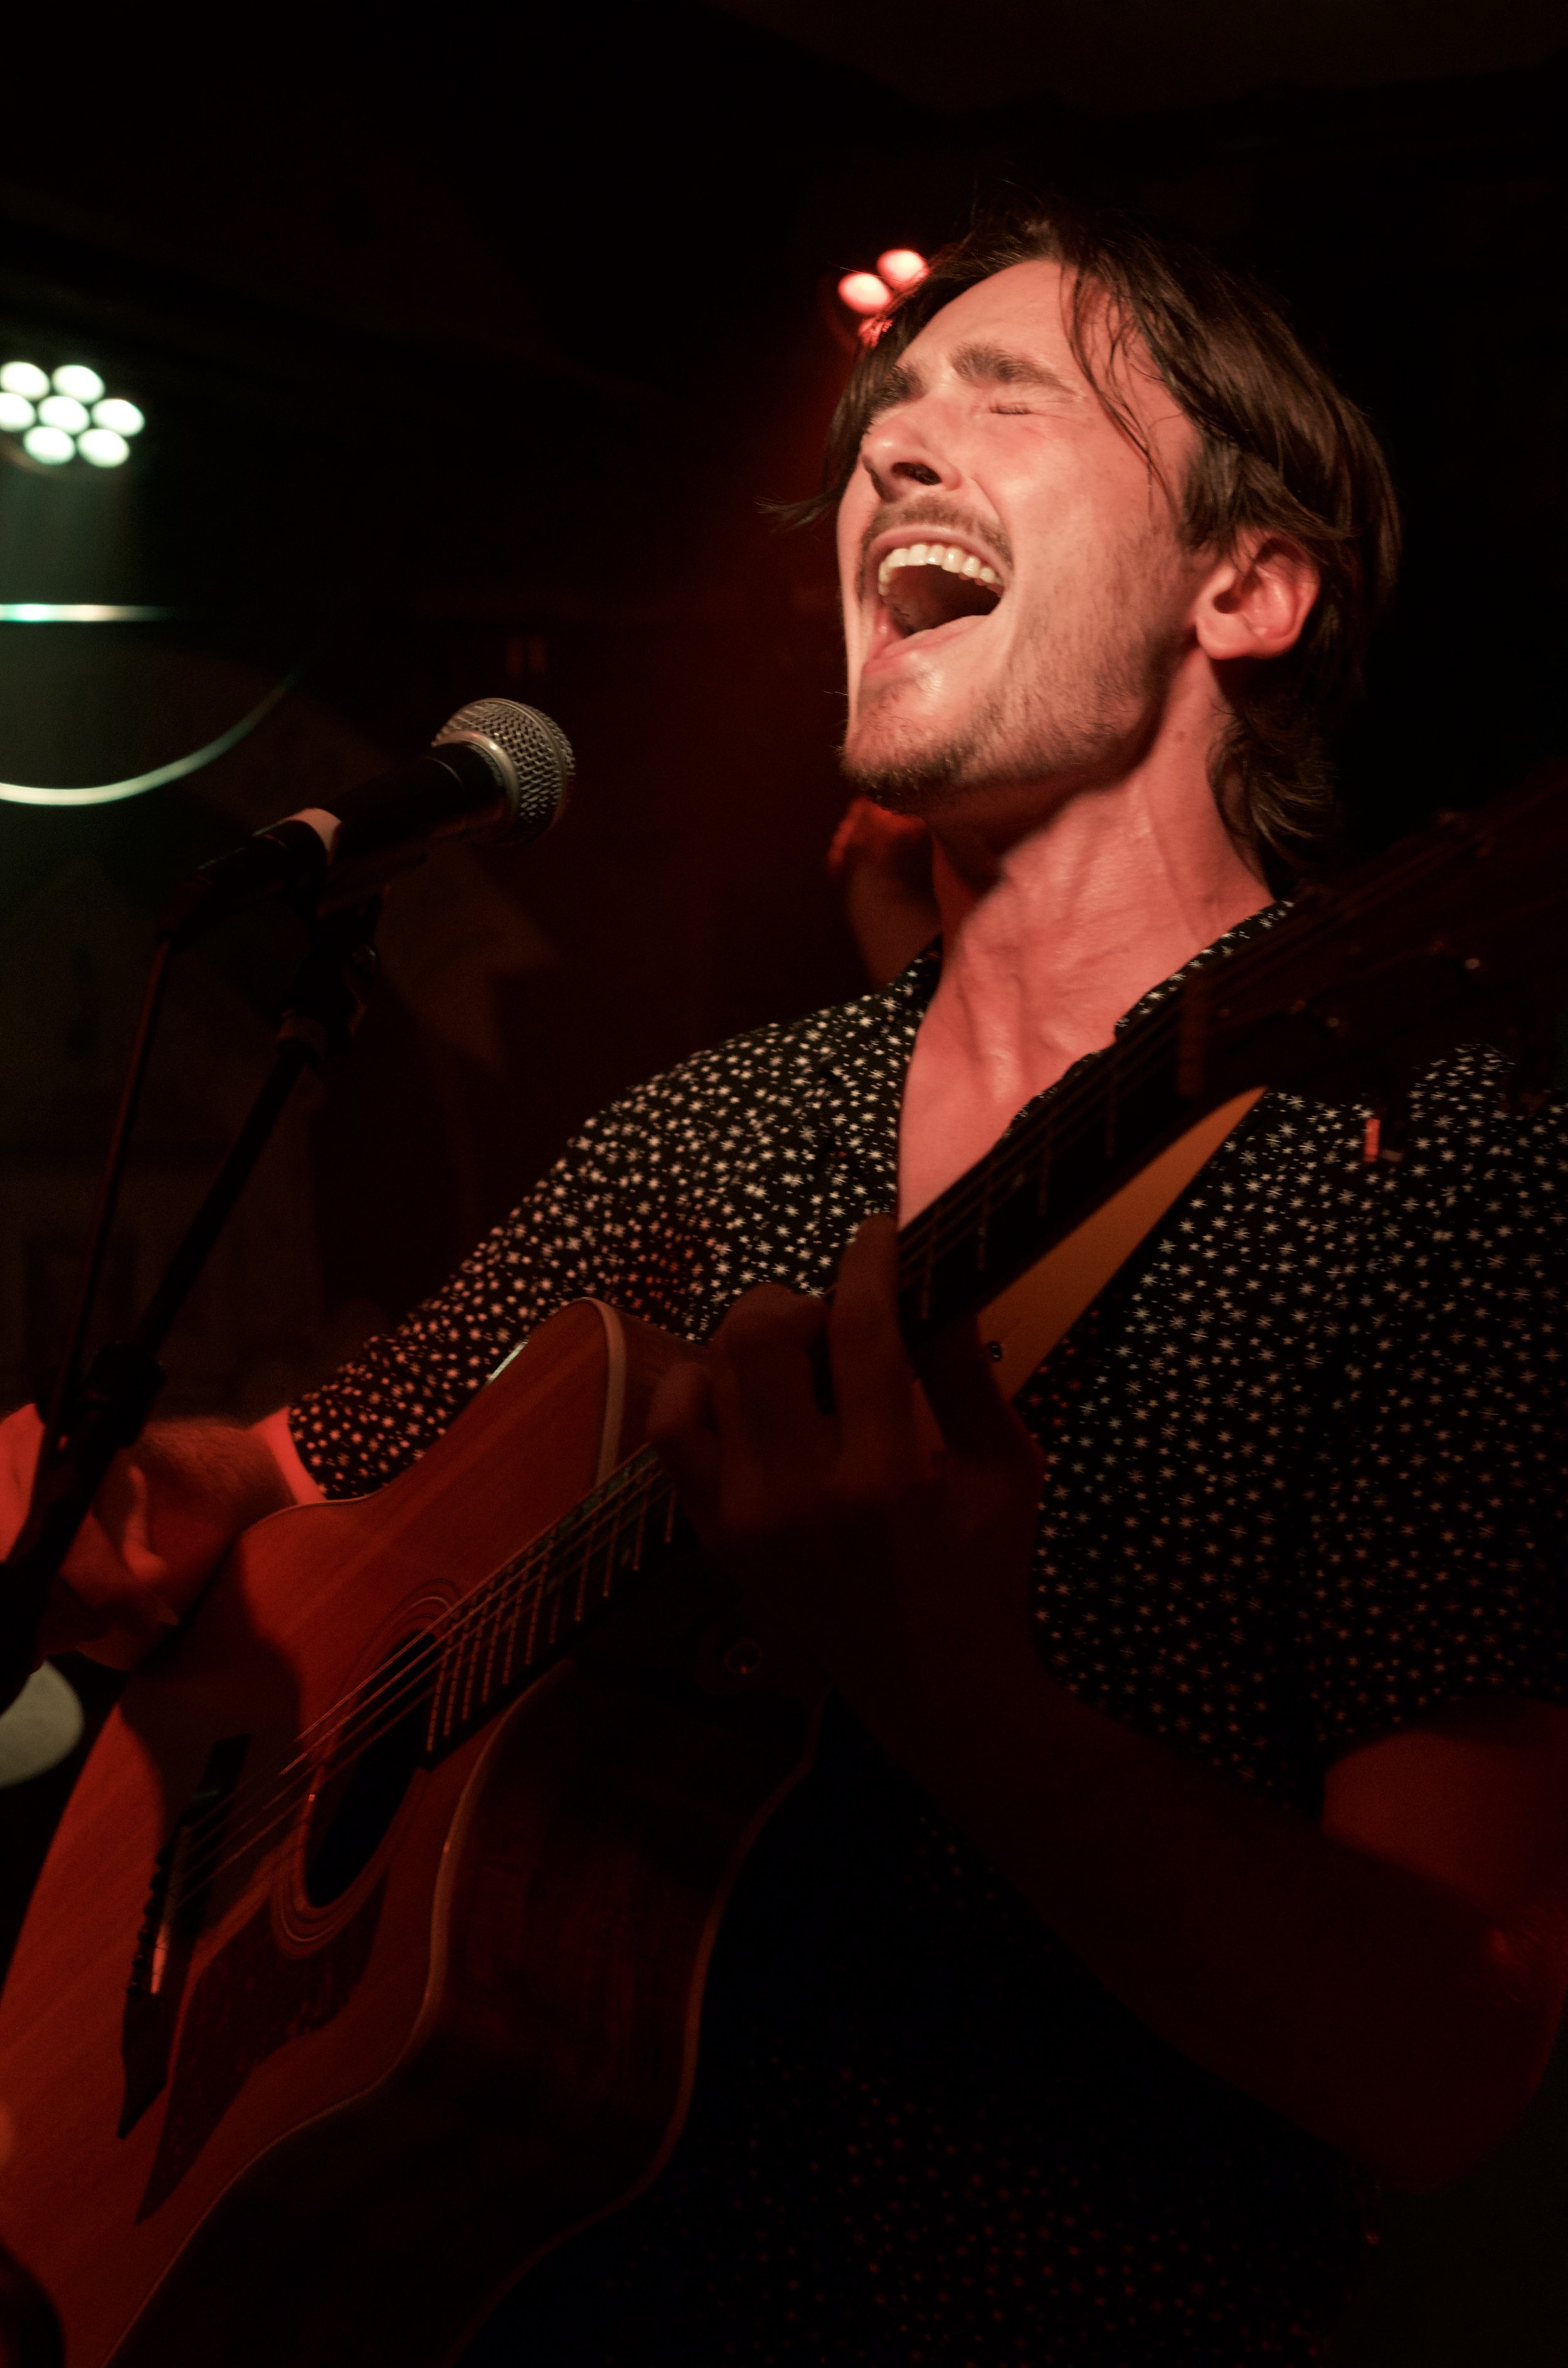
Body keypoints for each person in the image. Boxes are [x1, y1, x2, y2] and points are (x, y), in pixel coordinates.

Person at [7, 203, 1568, 2364]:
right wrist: (147, 1501)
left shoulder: (1423, 1176)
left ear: (1250, 583)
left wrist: (967, 1698)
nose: (895, 458)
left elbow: (1450, 2063)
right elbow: (294, 1489)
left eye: (1001, 397)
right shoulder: (704, 1138)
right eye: (878, 421)